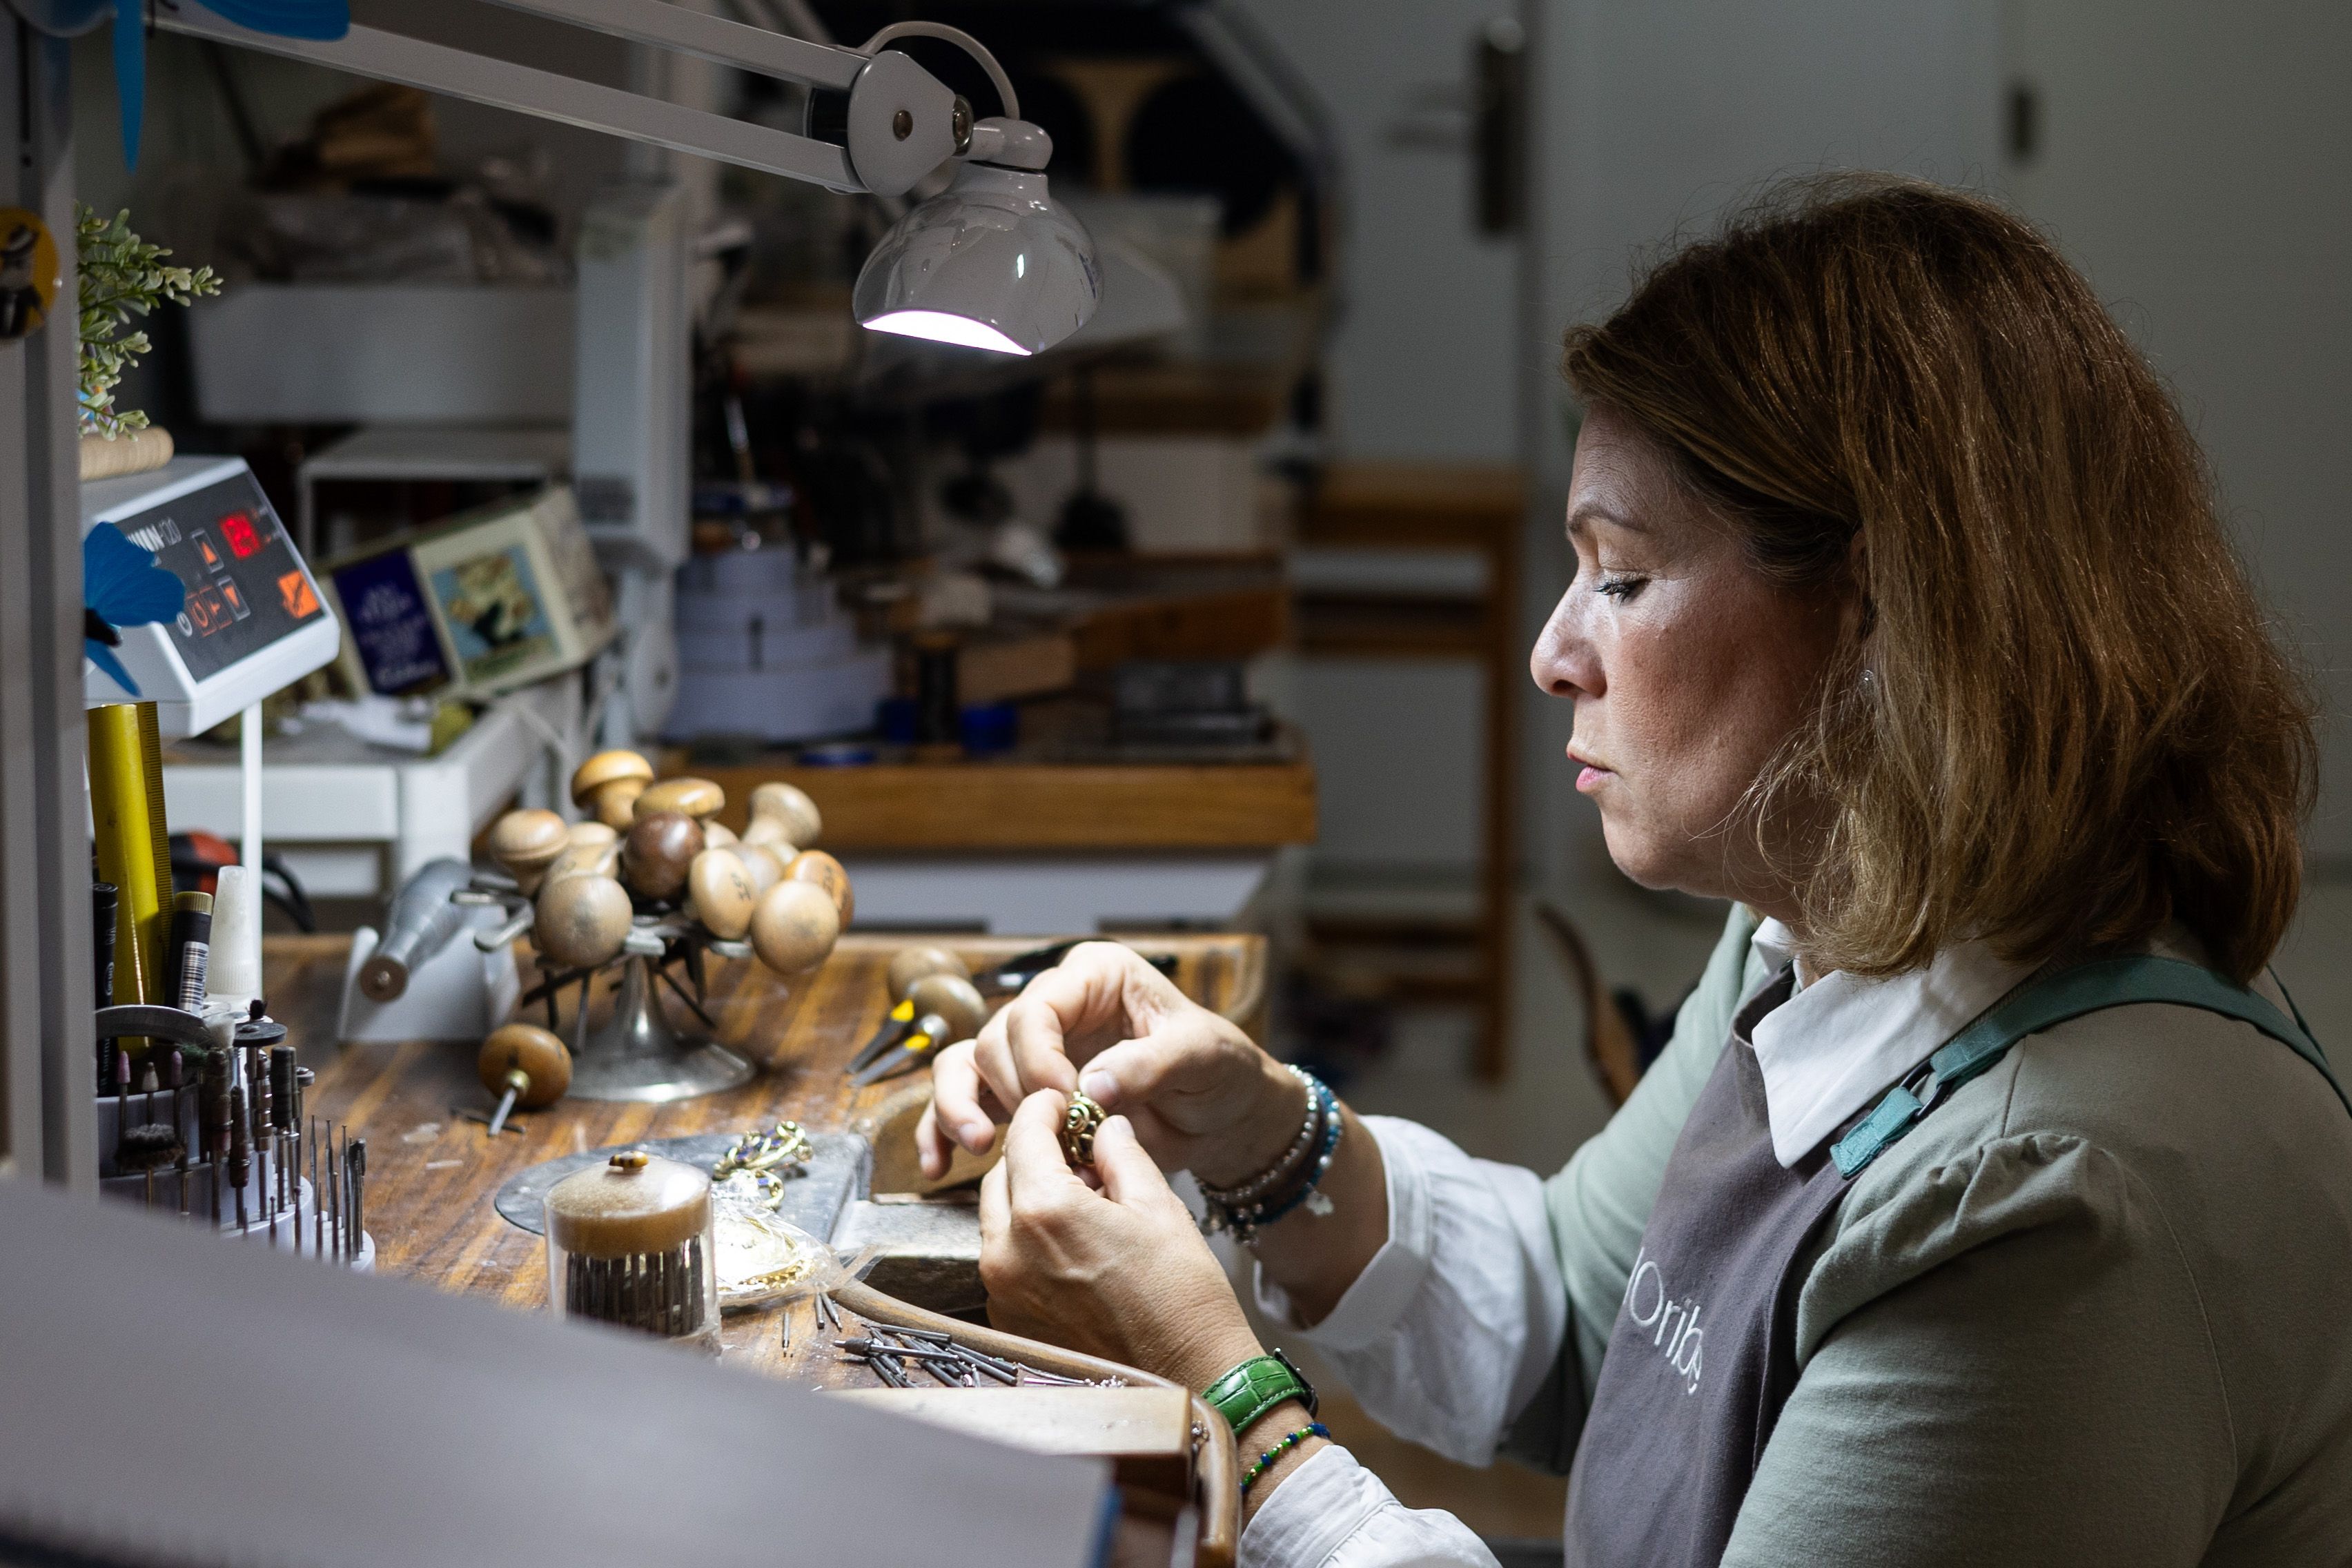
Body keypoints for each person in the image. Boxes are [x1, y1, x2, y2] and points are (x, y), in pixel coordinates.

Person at [915, 176, 2352, 1567]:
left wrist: (1221, 1395)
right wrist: (1263, 1138)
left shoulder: (2053, 1207)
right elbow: (1591, 1322)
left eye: (1621, 575)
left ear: (1875, 613)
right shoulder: (1834, 926)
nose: (1554, 654)